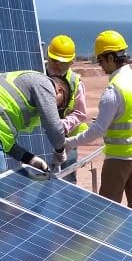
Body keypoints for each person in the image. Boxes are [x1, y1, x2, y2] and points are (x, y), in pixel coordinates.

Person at [62, 30, 132, 211]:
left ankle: (108, 240)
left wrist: (69, 143)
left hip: (122, 155)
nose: (100, 65)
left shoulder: (113, 91)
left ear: (112, 58)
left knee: (107, 208)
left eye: (101, 60)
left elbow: (98, 130)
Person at [45, 35, 88, 181]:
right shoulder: (37, 75)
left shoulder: (75, 82)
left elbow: (80, 113)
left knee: (67, 182)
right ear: (47, 55)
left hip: (66, 142)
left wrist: (63, 125)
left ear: (71, 62)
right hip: (40, 138)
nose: (57, 65)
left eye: (62, 62)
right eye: (54, 60)